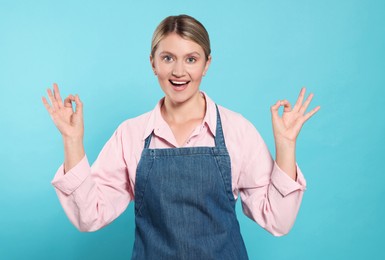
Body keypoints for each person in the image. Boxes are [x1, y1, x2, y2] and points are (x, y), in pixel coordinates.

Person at [42, 14, 320, 260]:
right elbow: (89, 217)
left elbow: (278, 221)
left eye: (191, 59)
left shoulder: (238, 130)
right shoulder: (131, 134)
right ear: (153, 63)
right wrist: (72, 140)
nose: (178, 71)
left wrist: (286, 145)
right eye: (167, 58)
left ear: (206, 64)